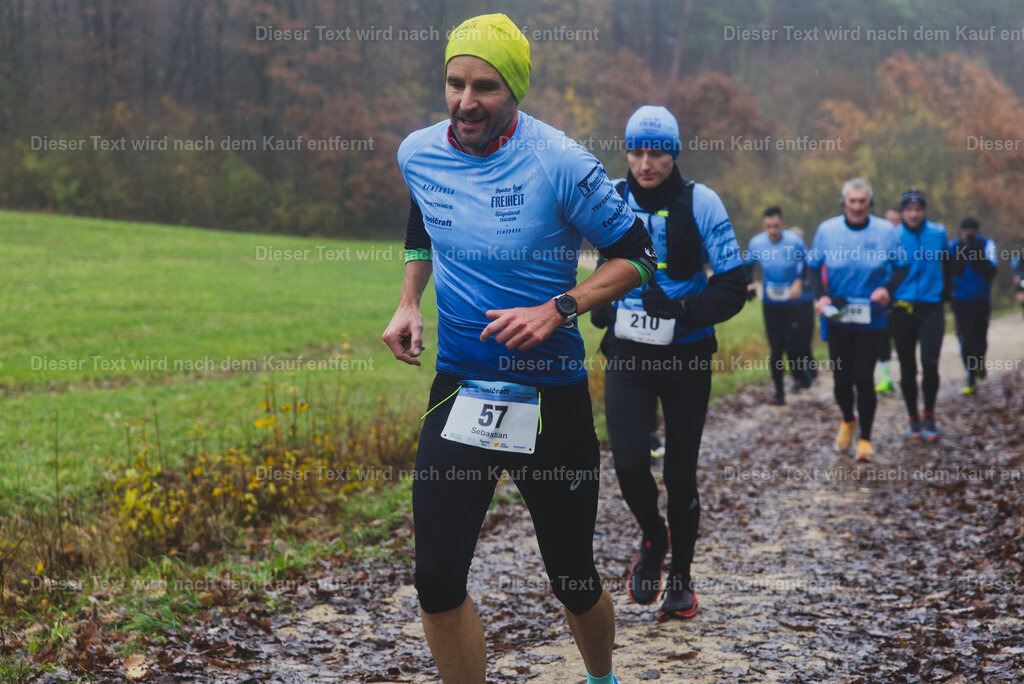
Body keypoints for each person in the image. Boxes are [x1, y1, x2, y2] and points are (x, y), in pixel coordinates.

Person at [382, 15, 656, 683]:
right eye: (454, 83)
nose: (466, 102)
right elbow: (424, 220)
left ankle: (601, 677)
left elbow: (638, 257)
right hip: (461, 386)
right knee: (437, 578)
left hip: (550, 394)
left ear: (515, 91)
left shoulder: (560, 162)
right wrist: (409, 300)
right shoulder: (418, 153)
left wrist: (559, 307)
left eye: (485, 86)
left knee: (571, 576)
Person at [590, 105, 747, 620]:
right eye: (635, 150)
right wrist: (603, 307)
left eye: (656, 151)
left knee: (680, 475)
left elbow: (733, 287)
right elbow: (600, 264)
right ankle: (654, 539)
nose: (645, 162)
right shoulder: (611, 196)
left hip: (686, 354)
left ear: (673, 153)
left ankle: (681, 577)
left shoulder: (702, 202)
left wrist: (682, 310)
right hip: (629, 353)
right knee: (630, 462)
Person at [807, 178, 909, 461]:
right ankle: (847, 419)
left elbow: (902, 267)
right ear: (844, 203)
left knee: (864, 378)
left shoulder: (886, 231)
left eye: (862, 201)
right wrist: (821, 296)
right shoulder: (827, 230)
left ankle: (865, 438)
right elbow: (813, 268)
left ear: (869, 203)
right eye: (852, 201)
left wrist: (887, 290)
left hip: (871, 318)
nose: (857, 207)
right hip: (838, 317)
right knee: (841, 381)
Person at [889, 189, 950, 440]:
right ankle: (912, 415)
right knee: (907, 366)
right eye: (909, 210)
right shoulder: (893, 236)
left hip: (931, 307)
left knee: (930, 363)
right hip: (902, 308)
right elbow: (885, 269)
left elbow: (949, 262)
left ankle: (930, 413)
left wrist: (948, 293)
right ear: (902, 212)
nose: (914, 214)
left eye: (918, 210)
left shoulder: (938, 233)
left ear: (924, 211)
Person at [745, 207, 815, 405]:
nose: (772, 231)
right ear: (763, 226)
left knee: (797, 345)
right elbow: (748, 266)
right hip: (772, 302)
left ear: (783, 225)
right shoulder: (756, 242)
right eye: (768, 227)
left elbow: (808, 264)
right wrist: (748, 283)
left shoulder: (794, 242)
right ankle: (779, 393)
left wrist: (799, 281)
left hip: (795, 301)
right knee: (776, 348)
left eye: (776, 226)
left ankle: (801, 374)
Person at [949, 217, 998, 395]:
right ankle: (970, 376)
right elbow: (948, 270)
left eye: (972, 231)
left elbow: (992, 270)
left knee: (980, 336)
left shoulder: (987, 244)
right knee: (965, 337)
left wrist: (977, 252)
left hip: (981, 299)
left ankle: (979, 361)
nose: (968, 235)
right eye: (965, 231)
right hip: (961, 300)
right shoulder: (953, 246)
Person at [876, 206, 903, 394]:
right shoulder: (878, 239)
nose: (891, 225)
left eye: (896, 221)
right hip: (882, 295)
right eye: (889, 221)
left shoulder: (906, 241)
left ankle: (904, 377)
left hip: (902, 296)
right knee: (882, 337)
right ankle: (885, 377)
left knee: (901, 338)